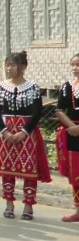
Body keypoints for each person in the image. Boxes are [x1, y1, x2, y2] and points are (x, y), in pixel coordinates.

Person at [0, 51, 51, 221]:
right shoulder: (1, 87)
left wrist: (24, 132)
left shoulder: (32, 87)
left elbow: (37, 112)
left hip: (27, 132)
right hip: (6, 131)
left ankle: (28, 205)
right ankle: (9, 204)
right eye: (7, 65)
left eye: (12, 65)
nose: (8, 68)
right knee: (7, 169)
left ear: (23, 67)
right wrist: (4, 131)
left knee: (28, 169)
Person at [55, 53, 79, 222]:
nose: (75, 68)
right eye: (73, 64)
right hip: (72, 133)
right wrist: (73, 127)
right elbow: (59, 110)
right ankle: (78, 210)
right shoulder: (67, 87)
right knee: (77, 173)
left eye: (78, 64)